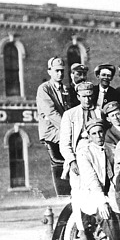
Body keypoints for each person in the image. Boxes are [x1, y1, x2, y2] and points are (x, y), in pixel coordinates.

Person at [36, 56, 78, 195]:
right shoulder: (44, 89)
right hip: (52, 131)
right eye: (56, 71)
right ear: (49, 71)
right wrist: (71, 129)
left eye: (62, 71)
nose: (60, 74)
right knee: (75, 144)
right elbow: (51, 113)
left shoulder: (65, 89)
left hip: (64, 129)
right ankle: (67, 185)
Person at [74, 118, 119, 240]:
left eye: (100, 132)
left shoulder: (112, 149)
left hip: (110, 191)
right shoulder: (84, 153)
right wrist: (101, 201)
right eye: (94, 133)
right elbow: (91, 179)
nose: (98, 136)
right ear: (89, 136)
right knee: (105, 214)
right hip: (91, 194)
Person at [59, 82, 105, 189]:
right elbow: (65, 143)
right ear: (78, 97)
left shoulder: (100, 112)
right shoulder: (70, 115)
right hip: (79, 153)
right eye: (84, 97)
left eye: (89, 96)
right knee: (80, 189)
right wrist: (71, 161)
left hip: (98, 152)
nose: (87, 100)